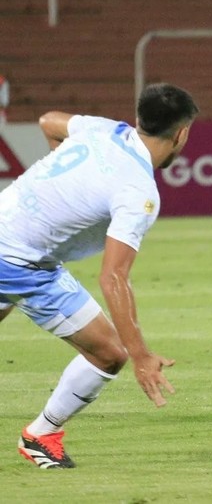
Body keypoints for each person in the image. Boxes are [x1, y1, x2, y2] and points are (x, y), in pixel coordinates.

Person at [0, 83, 198, 468]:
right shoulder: (139, 191)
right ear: (181, 133)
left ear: (139, 119)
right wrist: (141, 356)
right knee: (109, 354)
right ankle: (42, 435)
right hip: (21, 262)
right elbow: (113, 278)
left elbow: (49, 122)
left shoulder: (106, 129)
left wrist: (62, 188)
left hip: (7, 226)